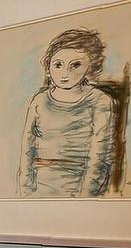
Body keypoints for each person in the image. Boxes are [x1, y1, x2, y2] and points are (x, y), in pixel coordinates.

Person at [18, 28, 118, 196]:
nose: (65, 73)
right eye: (58, 65)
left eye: (75, 65)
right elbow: (27, 150)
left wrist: (85, 196)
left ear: (91, 67)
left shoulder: (100, 100)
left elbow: (100, 156)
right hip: (40, 187)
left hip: (80, 187)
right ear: (48, 66)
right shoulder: (39, 101)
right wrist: (25, 192)